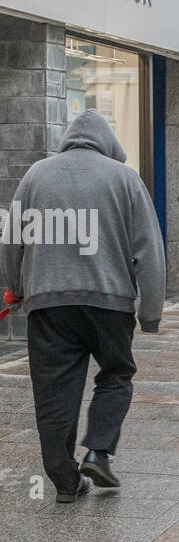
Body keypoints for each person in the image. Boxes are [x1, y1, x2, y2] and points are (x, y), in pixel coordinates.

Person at [0, 109, 165, 502]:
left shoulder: (36, 175)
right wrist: (151, 313)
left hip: (48, 303)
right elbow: (150, 250)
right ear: (110, 143)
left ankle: (65, 481)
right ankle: (97, 450)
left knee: (53, 391)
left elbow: (11, 239)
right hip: (110, 303)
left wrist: (17, 287)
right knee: (116, 373)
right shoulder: (125, 179)